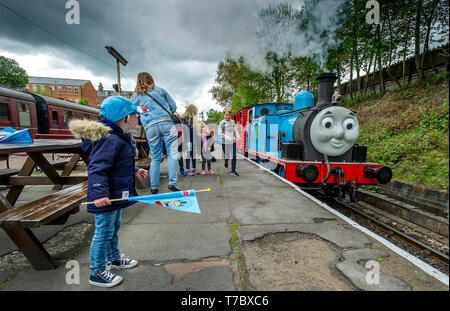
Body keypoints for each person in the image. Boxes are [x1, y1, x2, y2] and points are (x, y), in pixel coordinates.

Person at [69, 96, 148, 288]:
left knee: (113, 228)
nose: (138, 119)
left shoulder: (120, 136)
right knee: (103, 232)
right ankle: (96, 272)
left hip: (115, 193)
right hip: (106, 195)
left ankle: (113, 259)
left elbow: (118, 164)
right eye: (136, 115)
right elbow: (98, 168)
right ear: (127, 117)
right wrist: (99, 194)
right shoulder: (110, 139)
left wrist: (135, 170)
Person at [131, 72, 181, 194]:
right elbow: (173, 107)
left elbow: (134, 111)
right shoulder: (160, 90)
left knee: (155, 156)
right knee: (172, 153)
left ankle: (154, 187)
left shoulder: (135, 97)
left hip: (150, 126)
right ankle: (172, 183)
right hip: (166, 122)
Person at [218, 108, 240, 176]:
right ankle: (226, 161)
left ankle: (233, 171)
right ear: (224, 115)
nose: (228, 116)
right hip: (225, 143)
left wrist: (237, 135)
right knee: (227, 156)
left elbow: (235, 130)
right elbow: (219, 133)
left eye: (229, 115)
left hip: (233, 142)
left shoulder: (233, 121)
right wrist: (226, 137)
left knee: (234, 156)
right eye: (226, 115)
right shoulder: (222, 123)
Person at [181, 104, 201, 176]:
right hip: (188, 139)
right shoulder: (187, 118)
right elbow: (186, 130)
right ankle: (187, 169)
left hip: (193, 139)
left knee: (193, 154)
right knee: (189, 154)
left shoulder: (192, 118)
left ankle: (194, 168)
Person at [173, 112, 186, 176]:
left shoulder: (174, 120)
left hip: (176, 141)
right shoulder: (179, 121)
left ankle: (174, 171)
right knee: (179, 157)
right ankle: (181, 170)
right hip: (178, 141)